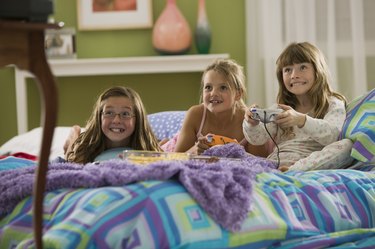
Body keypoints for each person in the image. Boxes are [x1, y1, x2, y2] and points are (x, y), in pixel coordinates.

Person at [243, 42, 347, 172]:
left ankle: (295, 170)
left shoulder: (333, 103)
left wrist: (301, 120)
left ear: (318, 70)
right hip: (278, 162)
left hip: (310, 163)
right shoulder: (280, 109)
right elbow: (257, 139)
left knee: (347, 145)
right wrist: (251, 123)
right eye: (287, 70)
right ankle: (284, 170)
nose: (294, 75)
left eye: (302, 67)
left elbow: (334, 136)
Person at [173, 59, 268, 157]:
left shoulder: (247, 121)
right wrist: (193, 151)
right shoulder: (195, 114)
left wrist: (254, 127)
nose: (213, 93)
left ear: (238, 94)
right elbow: (175, 158)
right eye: (208, 87)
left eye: (223, 87)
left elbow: (261, 161)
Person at [64, 86, 161, 164]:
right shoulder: (87, 144)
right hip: (81, 140)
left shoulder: (146, 146)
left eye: (125, 114)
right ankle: (75, 131)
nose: (116, 120)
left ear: (138, 119)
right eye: (109, 113)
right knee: (71, 153)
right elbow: (74, 164)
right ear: (99, 117)